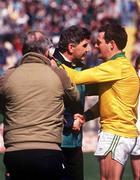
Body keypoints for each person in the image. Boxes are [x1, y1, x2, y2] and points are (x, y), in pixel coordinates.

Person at [62, 23, 140, 180]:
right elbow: (107, 102)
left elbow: (76, 77)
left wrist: (53, 60)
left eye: (98, 42)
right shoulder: (119, 67)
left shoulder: (115, 66)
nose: (94, 47)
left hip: (116, 131)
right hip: (117, 132)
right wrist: (86, 116)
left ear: (111, 45)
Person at [0, 30, 80, 180]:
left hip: (15, 153)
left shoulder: (8, 76)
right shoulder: (57, 74)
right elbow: (75, 97)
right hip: (48, 150)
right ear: (47, 52)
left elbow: (3, 105)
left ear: (23, 50)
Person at [53, 25, 91, 180]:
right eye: (84, 46)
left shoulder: (81, 69)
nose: (88, 50)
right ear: (71, 47)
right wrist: (69, 120)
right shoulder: (51, 66)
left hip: (75, 142)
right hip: (54, 142)